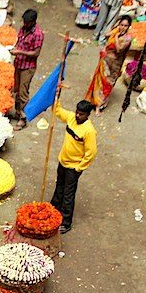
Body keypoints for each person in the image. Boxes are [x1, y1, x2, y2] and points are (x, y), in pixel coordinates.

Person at [48, 97, 97, 234]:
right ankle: (53, 209)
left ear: (88, 115)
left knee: (68, 194)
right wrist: (57, 96)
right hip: (63, 161)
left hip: (73, 167)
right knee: (59, 186)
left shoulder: (89, 131)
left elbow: (91, 153)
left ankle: (66, 221)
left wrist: (79, 168)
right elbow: (57, 111)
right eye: (77, 112)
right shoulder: (71, 118)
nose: (77, 115)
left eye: (81, 114)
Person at [85, 14, 133, 111]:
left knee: (108, 84)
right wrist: (115, 27)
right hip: (105, 61)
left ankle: (99, 105)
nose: (123, 27)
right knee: (99, 81)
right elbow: (106, 34)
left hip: (115, 65)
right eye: (121, 25)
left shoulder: (128, 38)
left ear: (129, 27)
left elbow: (119, 49)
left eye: (125, 26)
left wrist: (116, 36)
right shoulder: (116, 31)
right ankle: (93, 100)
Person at [10, 9, 44, 127]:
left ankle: (23, 118)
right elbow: (19, 42)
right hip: (18, 64)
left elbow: (36, 53)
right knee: (16, 90)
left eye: (27, 22)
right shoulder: (23, 29)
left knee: (23, 92)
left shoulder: (38, 34)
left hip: (27, 67)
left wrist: (20, 52)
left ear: (33, 22)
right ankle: (18, 112)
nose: (25, 24)